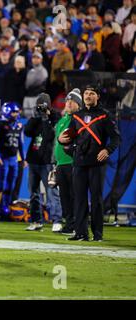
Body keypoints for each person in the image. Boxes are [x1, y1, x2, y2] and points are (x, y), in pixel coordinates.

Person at [58, 85, 120, 241]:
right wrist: (61, 140)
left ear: (97, 96)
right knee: (79, 198)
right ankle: (80, 233)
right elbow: (69, 137)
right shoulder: (77, 116)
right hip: (79, 162)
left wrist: (107, 150)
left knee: (96, 200)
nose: (88, 96)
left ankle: (97, 234)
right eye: (86, 93)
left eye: (91, 93)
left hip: (96, 164)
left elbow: (115, 138)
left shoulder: (105, 116)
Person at [24, 93, 63, 232]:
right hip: (34, 160)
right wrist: (35, 117)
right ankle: (36, 220)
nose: (41, 107)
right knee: (33, 193)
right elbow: (27, 131)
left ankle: (57, 220)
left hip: (47, 161)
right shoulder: (36, 118)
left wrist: (47, 117)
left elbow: (50, 135)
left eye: (43, 105)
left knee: (51, 192)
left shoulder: (55, 117)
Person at [0, 102, 24, 220]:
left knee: (10, 184)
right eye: (13, 112)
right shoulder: (0, 124)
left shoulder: (18, 125)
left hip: (13, 158)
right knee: (1, 184)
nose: (16, 114)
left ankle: (5, 206)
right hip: (3, 158)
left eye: (16, 112)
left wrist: (23, 158)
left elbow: (20, 143)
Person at [54, 88, 82, 235]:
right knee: (64, 196)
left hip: (72, 163)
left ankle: (77, 225)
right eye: (68, 100)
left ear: (79, 104)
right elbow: (56, 143)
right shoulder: (62, 120)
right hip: (61, 164)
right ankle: (69, 224)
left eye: (73, 101)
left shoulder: (78, 120)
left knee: (74, 195)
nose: (69, 103)